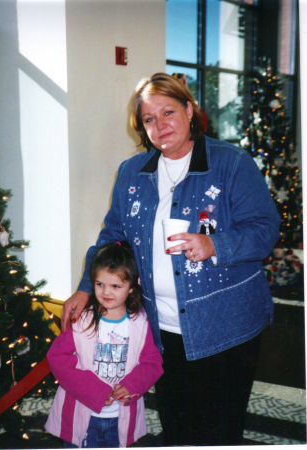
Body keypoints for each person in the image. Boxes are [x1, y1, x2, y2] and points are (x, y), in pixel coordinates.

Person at [60, 73, 281, 446]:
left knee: (219, 431)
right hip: (160, 327)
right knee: (177, 425)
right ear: (142, 128)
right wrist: (86, 287)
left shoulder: (231, 164)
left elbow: (266, 229)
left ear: (189, 111)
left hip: (225, 325)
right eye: (149, 119)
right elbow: (112, 236)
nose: (160, 125)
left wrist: (216, 245)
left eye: (168, 112)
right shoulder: (133, 172)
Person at [45, 241, 163, 448]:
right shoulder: (80, 319)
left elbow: (152, 363)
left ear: (133, 288)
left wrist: (132, 385)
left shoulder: (140, 323)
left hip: (121, 418)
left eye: (116, 286)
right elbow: (58, 358)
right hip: (81, 414)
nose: (106, 292)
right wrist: (95, 391)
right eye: (100, 284)